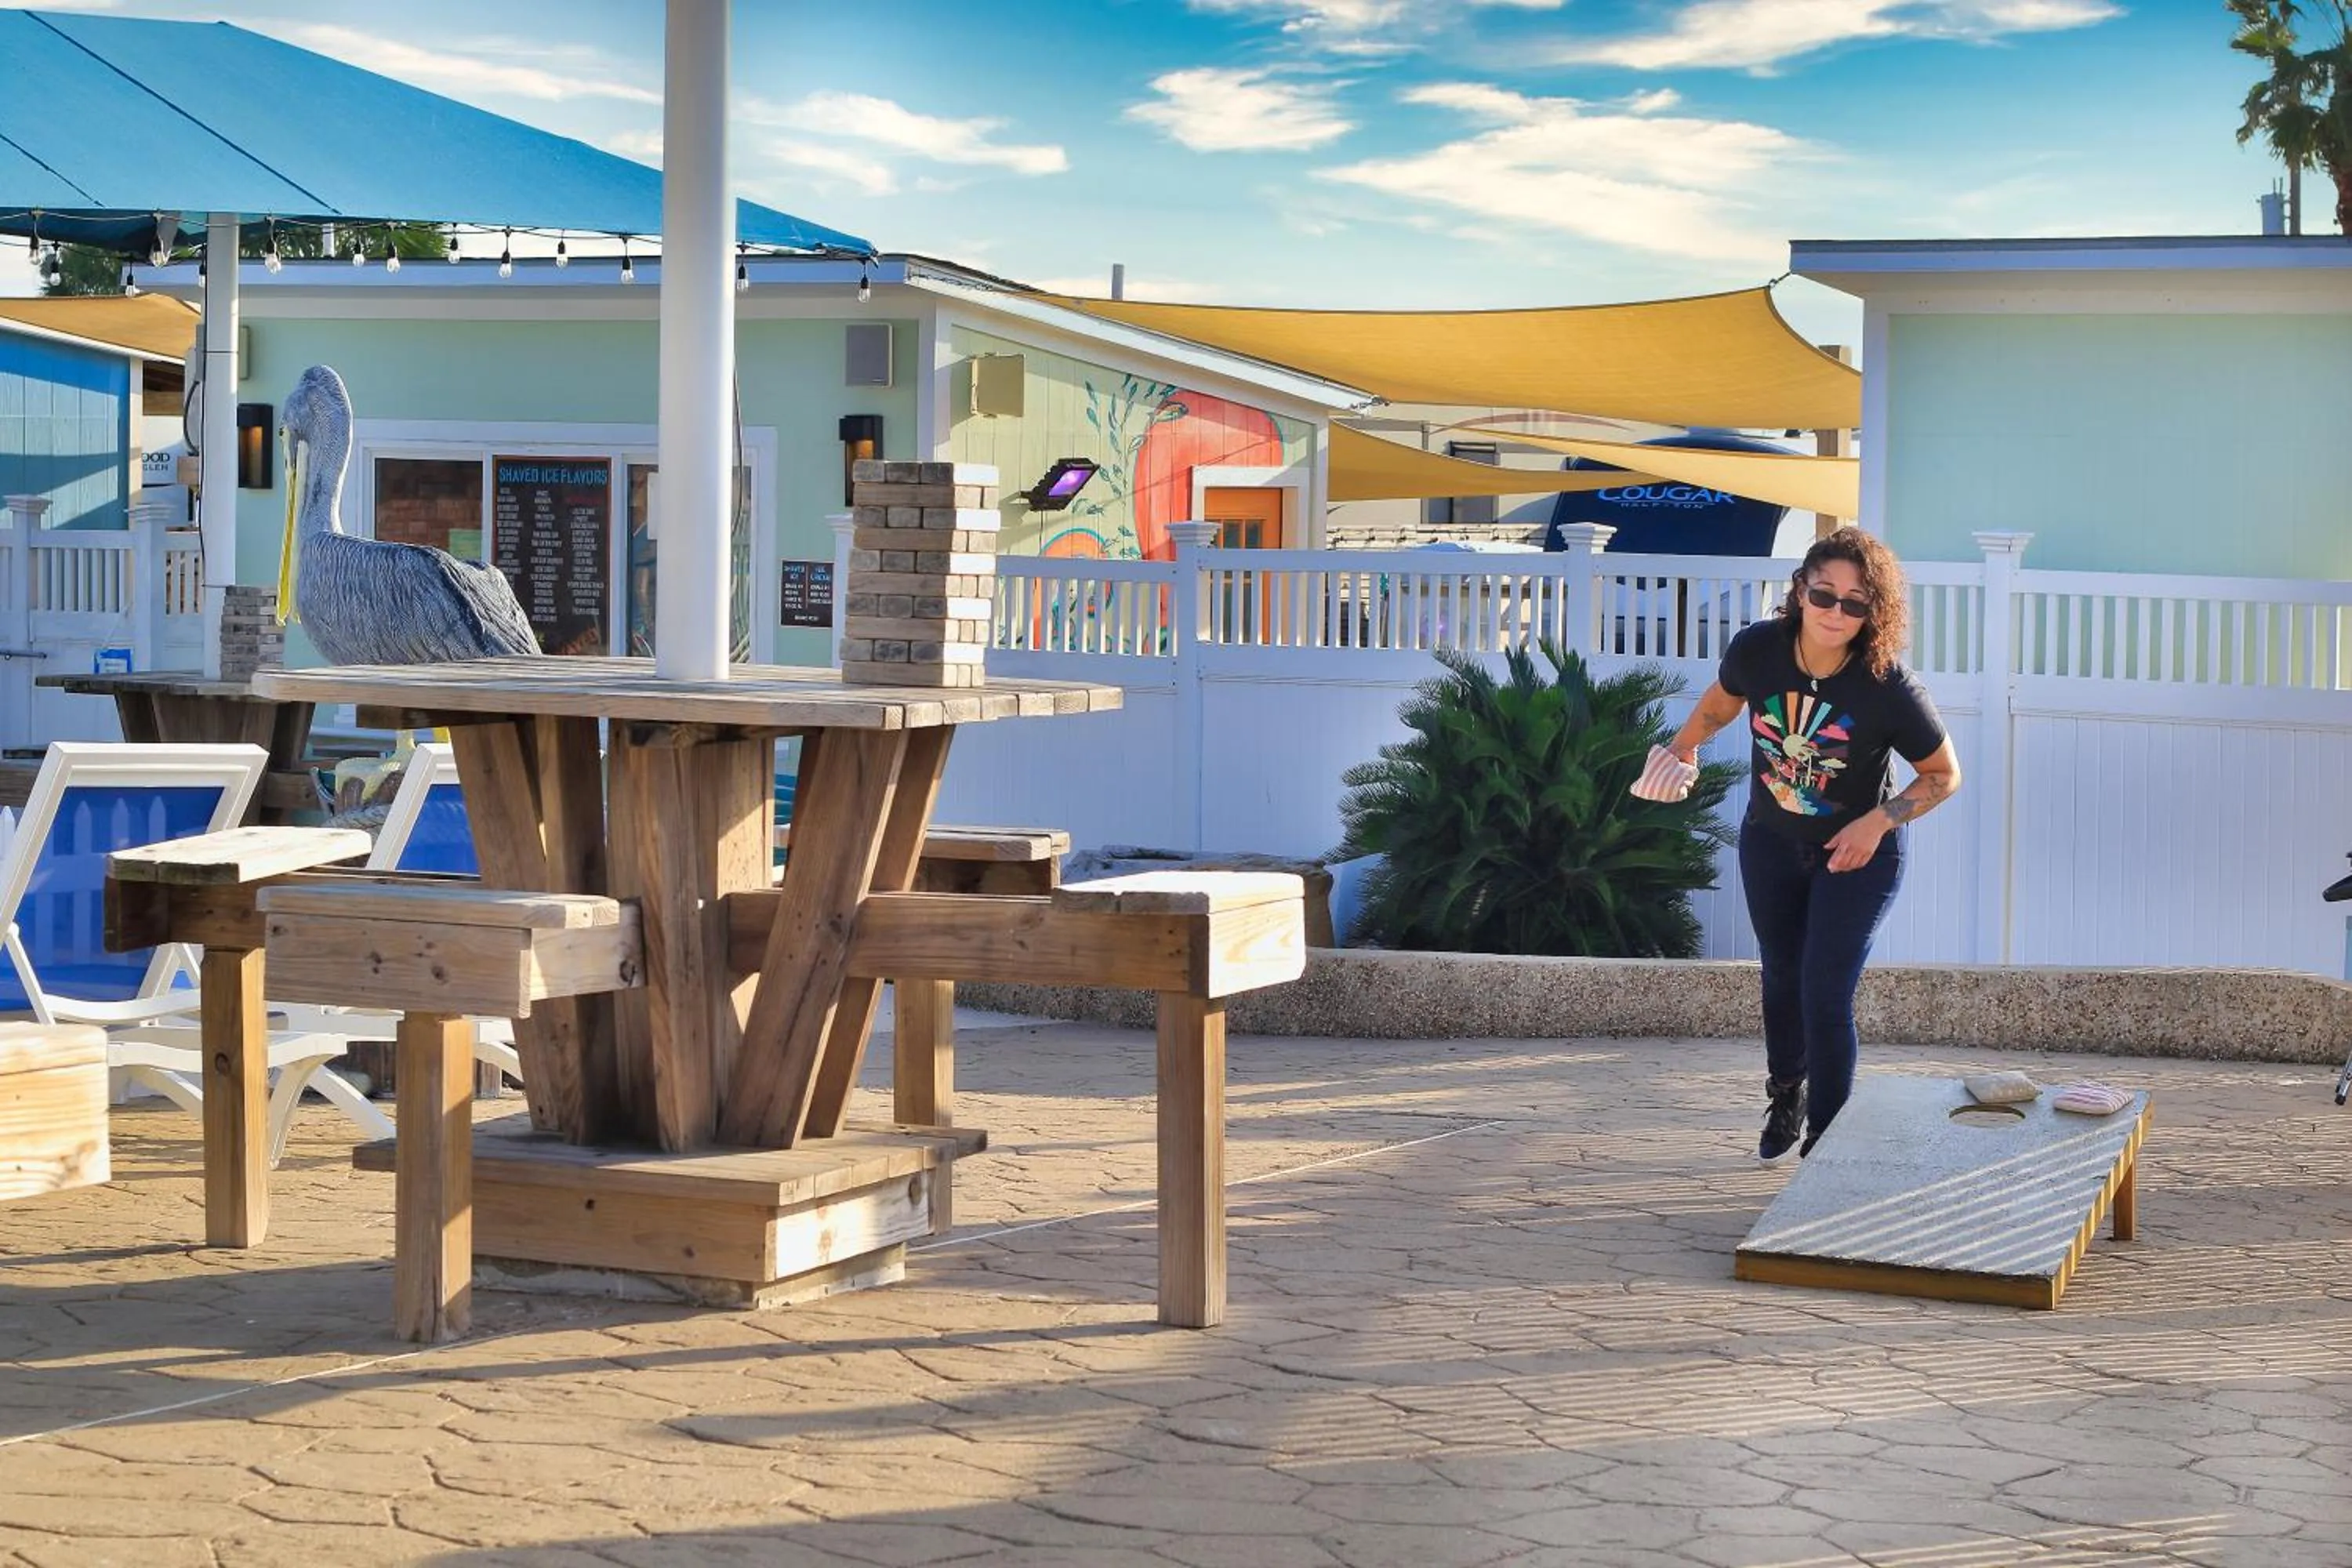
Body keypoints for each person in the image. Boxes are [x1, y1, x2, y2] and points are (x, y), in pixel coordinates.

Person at [1632, 528, 1962, 1160]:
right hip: (1771, 842)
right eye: (1824, 595)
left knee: (1824, 991)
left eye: (1856, 603)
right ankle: (1787, 1091)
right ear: (1800, 591)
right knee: (1782, 977)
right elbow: (1719, 706)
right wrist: (1682, 751)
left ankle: (1827, 1145)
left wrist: (1878, 822)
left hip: (1858, 855)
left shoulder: (1888, 685)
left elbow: (1944, 775)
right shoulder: (1759, 649)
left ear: (1874, 612)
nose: (1836, 612)